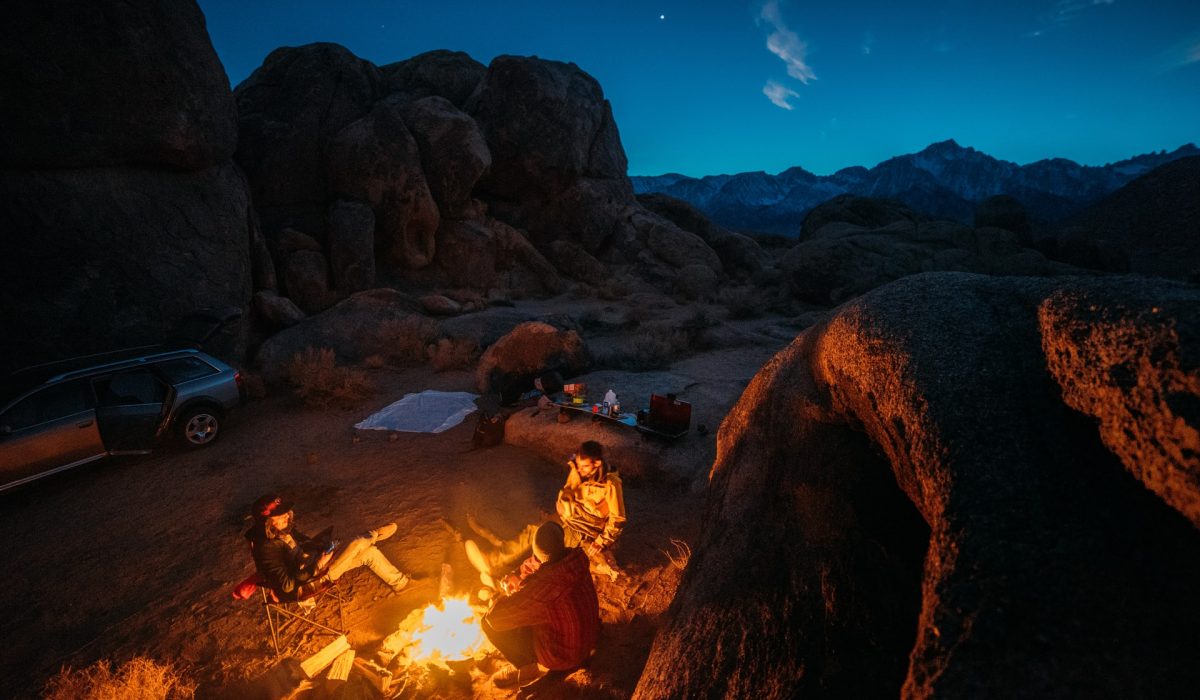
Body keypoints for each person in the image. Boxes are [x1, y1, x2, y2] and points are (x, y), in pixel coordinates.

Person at [465, 440, 626, 583]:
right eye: (579, 464)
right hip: (568, 517)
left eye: (585, 466)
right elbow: (568, 489)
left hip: (585, 529)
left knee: (547, 550)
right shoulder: (578, 469)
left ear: (597, 464)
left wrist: (601, 541)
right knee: (534, 531)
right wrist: (563, 500)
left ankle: (518, 579)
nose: (580, 469)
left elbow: (618, 519)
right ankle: (494, 560)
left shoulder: (610, 484)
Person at [481, 522, 600, 689]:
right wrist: (520, 580)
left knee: (487, 623)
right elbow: (540, 571)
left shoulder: (545, 588)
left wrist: (508, 595)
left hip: (563, 656)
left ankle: (533, 666)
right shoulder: (576, 560)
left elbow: (495, 619)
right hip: (590, 637)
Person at [245, 494, 410, 601]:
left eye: (287, 513)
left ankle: (401, 584)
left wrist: (321, 549)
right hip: (308, 583)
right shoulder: (266, 547)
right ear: (266, 521)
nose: (287, 517)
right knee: (358, 542)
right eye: (280, 516)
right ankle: (375, 534)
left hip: (314, 564)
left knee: (369, 552)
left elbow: (303, 547)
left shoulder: (283, 530)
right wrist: (318, 565)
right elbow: (287, 585)